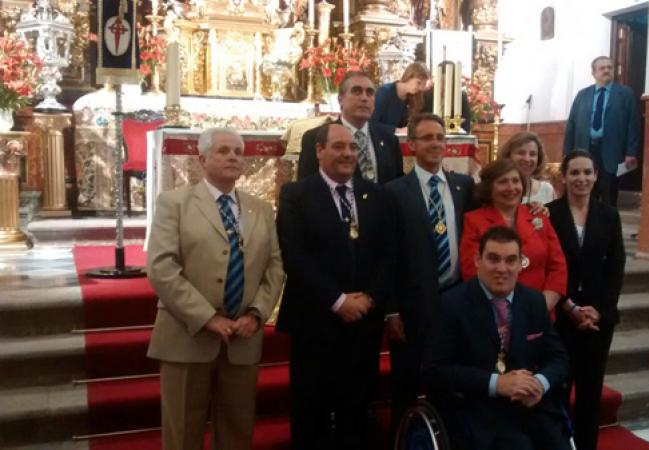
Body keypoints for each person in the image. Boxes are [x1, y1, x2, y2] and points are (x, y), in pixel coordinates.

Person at [146, 128, 284, 450]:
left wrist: (256, 313)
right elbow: (162, 268)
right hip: (187, 335)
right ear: (202, 158)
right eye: (223, 151)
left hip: (242, 338)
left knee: (237, 432)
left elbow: (275, 266)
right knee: (183, 433)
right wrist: (207, 317)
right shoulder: (174, 203)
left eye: (238, 151)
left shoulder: (260, 209)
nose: (233, 157)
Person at [276, 123, 396, 450]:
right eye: (339, 146)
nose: (347, 154)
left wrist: (369, 299)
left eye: (353, 148)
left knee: (355, 413)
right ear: (319, 150)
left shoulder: (377, 195)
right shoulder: (295, 195)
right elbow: (294, 257)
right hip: (316, 322)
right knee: (310, 414)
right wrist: (338, 300)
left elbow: (388, 255)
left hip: (363, 325)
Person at [422, 226, 571, 450]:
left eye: (511, 260)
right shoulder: (451, 304)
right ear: (477, 260)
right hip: (475, 406)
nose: (502, 268)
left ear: (521, 263)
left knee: (558, 443)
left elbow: (559, 359)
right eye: (493, 259)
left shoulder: (534, 302)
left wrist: (539, 384)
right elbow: (434, 370)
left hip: (529, 404)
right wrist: (497, 384)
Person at [384, 113, 474, 426]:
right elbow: (386, 255)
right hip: (411, 307)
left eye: (440, 137)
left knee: (450, 386)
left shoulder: (465, 187)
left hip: (455, 302)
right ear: (411, 145)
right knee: (405, 387)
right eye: (427, 138)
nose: (435, 143)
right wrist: (391, 310)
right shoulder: (394, 192)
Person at [547, 150, 626, 450]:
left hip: (597, 321)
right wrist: (569, 306)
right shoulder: (548, 213)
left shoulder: (609, 215)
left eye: (587, 173)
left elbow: (616, 266)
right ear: (564, 177)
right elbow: (547, 267)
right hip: (561, 315)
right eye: (575, 173)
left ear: (595, 176)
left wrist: (600, 310)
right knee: (558, 389)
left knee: (591, 392)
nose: (581, 178)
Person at [460, 159, 567, 313]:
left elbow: (558, 266)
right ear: (489, 187)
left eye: (516, 181)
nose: (511, 188)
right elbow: (471, 270)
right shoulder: (474, 220)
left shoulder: (538, 217)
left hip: (538, 311)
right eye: (503, 182)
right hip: (493, 313)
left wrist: (542, 305)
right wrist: (503, 310)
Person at [297, 71, 404, 184]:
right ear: (340, 99)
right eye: (357, 91)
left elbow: (397, 186)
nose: (364, 98)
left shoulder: (388, 139)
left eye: (370, 93)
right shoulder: (315, 138)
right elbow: (306, 191)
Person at [563, 56, 640, 206]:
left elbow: (633, 124)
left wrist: (631, 152)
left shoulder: (625, 93)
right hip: (585, 150)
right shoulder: (582, 95)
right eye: (602, 68)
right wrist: (567, 152)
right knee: (585, 194)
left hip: (612, 153)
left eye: (609, 67)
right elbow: (571, 124)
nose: (606, 70)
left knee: (609, 195)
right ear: (593, 72)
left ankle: (609, 228)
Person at [371, 62, 431, 131]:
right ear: (409, 76)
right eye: (418, 83)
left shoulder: (413, 97)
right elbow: (372, 123)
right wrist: (397, 130)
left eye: (423, 85)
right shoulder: (385, 92)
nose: (420, 88)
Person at [500, 131, 555, 205]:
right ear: (508, 156)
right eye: (521, 153)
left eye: (532, 154)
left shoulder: (547, 190)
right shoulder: (497, 189)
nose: (527, 159)